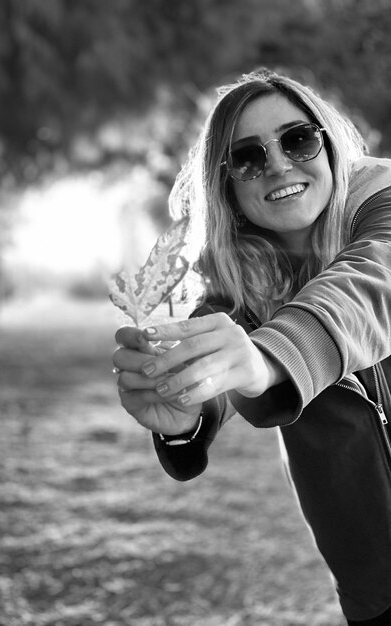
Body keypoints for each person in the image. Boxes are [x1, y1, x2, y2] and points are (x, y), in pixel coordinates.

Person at [112, 68, 391, 624]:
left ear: (328, 141)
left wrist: (271, 355)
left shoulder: (380, 200)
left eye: (298, 138)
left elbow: (375, 278)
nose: (280, 165)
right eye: (247, 156)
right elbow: (210, 381)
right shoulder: (232, 291)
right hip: (376, 579)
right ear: (229, 187)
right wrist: (182, 414)